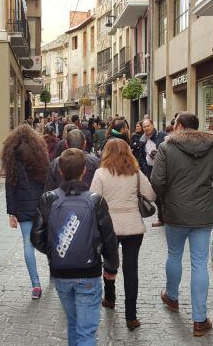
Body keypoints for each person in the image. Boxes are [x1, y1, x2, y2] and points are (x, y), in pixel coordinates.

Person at [150, 112, 213, 337]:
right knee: (199, 264)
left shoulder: (167, 148)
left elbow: (157, 181)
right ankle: (199, 320)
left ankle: (172, 297)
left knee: (174, 255)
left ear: (179, 126)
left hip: (175, 212)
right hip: (203, 213)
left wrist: (165, 200)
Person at [31, 148, 120, 346]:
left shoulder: (49, 198)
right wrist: (111, 267)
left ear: (60, 171)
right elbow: (109, 237)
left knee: (73, 323)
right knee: (86, 331)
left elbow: (36, 237)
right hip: (89, 272)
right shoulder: (95, 200)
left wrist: (55, 250)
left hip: (61, 272)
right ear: (84, 171)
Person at [89, 139, 155, 330]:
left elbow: (93, 201)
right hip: (133, 226)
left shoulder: (100, 173)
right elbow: (151, 195)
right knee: (131, 269)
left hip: (109, 228)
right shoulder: (135, 173)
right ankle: (131, 316)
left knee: (110, 262)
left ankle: (109, 298)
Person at [1, 125, 47, 299]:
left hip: (22, 206)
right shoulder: (40, 155)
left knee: (28, 243)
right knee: (48, 239)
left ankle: (36, 285)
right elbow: (47, 181)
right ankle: (53, 271)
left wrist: (11, 213)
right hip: (42, 205)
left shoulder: (12, 157)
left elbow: (10, 187)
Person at [137, 119, 167, 227]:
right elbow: (141, 156)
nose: (146, 128)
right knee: (155, 195)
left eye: (148, 126)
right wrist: (145, 168)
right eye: (144, 127)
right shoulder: (142, 139)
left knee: (165, 193)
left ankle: (167, 218)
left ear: (152, 125)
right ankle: (162, 218)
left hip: (163, 169)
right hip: (150, 170)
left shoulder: (162, 135)